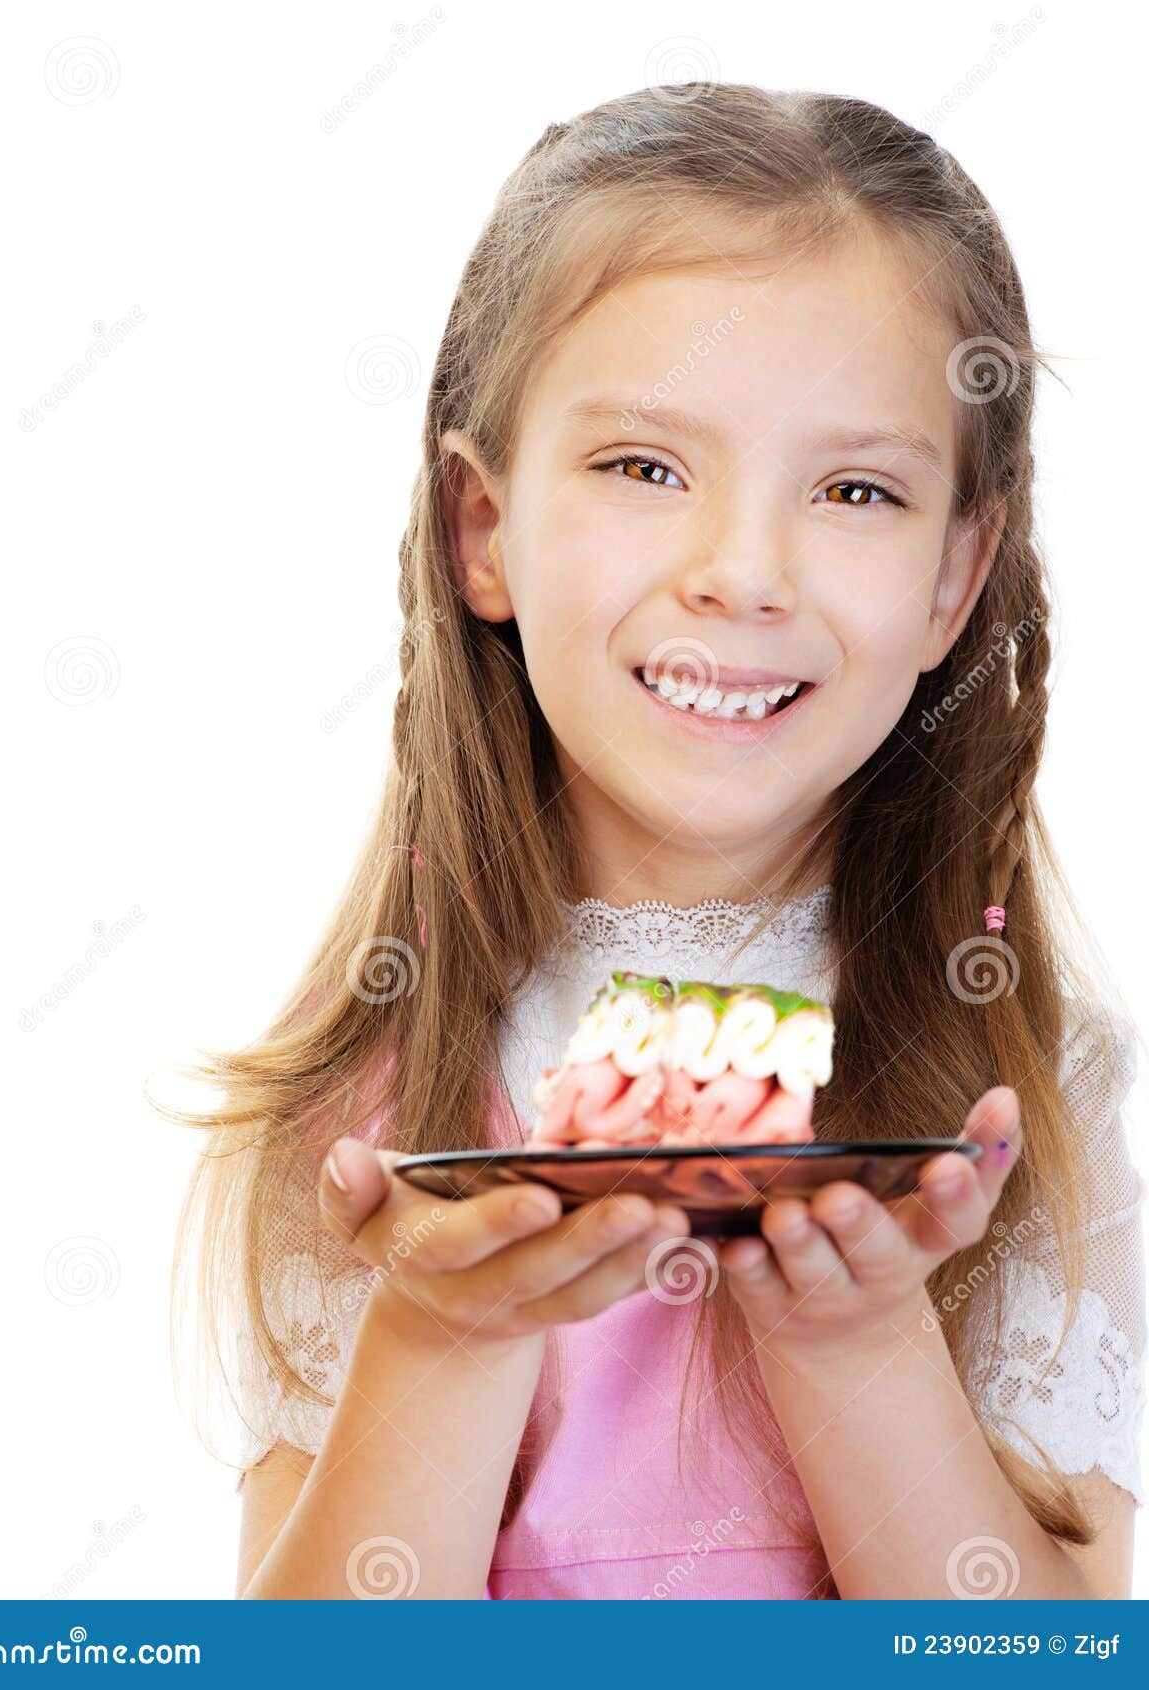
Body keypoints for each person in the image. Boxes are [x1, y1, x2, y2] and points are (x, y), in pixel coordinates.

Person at [159, 83, 1145, 1599]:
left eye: (855, 488)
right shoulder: (366, 1096)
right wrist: (444, 1335)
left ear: (957, 578)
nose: (742, 571)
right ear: (482, 526)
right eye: (644, 467)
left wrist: (858, 1342)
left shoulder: (1027, 1096)